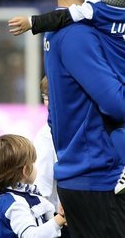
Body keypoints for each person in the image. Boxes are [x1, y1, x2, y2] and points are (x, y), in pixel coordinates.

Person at [9, 0, 125, 236]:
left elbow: (54, 116)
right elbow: (117, 104)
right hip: (101, 182)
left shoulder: (57, 30)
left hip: (78, 180)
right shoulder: (77, 34)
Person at [0, 134, 66, 238]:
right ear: (26, 170)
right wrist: (58, 220)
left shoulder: (25, 197)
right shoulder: (15, 204)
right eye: (33, 163)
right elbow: (31, 235)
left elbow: (48, 215)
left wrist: (59, 216)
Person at [34, 76, 71, 238]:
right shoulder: (46, 135)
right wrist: (57, 219)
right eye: (45, 97)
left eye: (52, 96)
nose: (48, 102)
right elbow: (42, 188)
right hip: (64, 221)